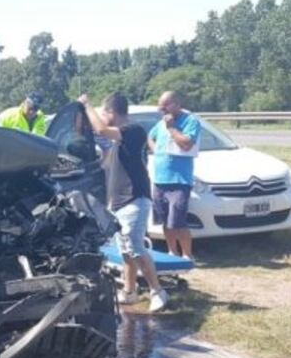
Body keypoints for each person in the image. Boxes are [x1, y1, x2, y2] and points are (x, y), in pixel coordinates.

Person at [78, 92, 168, 312]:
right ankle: (130, 292)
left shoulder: (133, 130)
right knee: (126, 252)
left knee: (136, 248)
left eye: (103, 112)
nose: (101, 117)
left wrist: (87, 105)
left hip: (134, 199)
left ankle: (158, 291)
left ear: (111, 111)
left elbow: (101, 129)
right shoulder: (117, 143)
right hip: (119, 204)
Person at [148, 90, 201, 261]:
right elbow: (150, 136)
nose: (161, 109)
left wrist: (171, 127)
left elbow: (186, 144)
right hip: (160, 179)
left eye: (165, 105)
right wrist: (155, 149)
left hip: (179, 180)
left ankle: (187, 254)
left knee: (178, 221)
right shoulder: (161, 123)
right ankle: (172, 252)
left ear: (177, 104)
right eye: (159, 105)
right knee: (165, 222)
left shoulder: (190, 121)